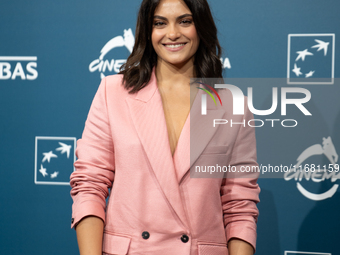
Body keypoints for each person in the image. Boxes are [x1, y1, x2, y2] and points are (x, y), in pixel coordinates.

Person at [70, 0, 260, 254]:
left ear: (200, 27)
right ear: (148, 32)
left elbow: (240, 206)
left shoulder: (233, 105)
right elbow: (89, 184)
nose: (172, 34)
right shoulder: (113, 92)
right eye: (160, 23)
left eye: (185, 21)